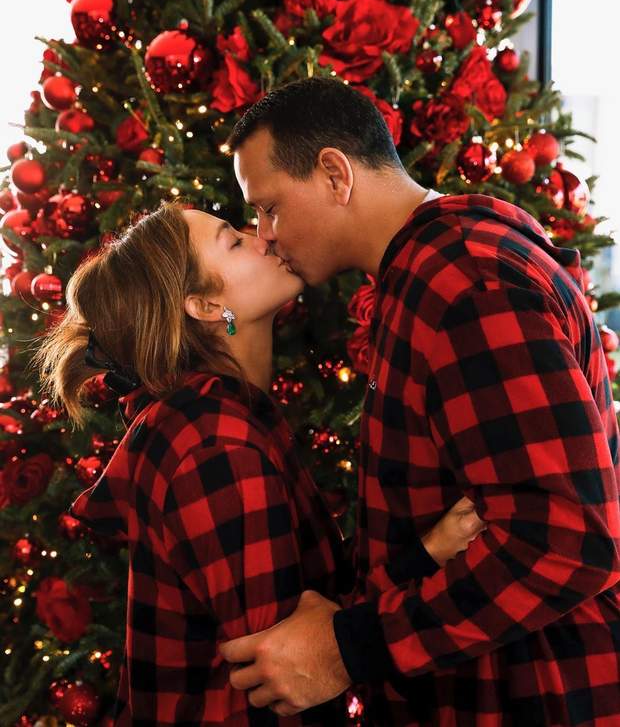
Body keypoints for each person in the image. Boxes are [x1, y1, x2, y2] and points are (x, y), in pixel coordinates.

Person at [219, 77, 620, 726]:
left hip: (533, 692)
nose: (263, 234)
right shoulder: (435, 263)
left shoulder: (465, 281)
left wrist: (350, 647)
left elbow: (566, 538)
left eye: (269, 207)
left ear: (334, 174)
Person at [33, 201, 485, 726]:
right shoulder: (213, 442)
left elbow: (309, 605)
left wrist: (425, 552)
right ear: (205, 305)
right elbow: (285, 663)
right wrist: (426, 557)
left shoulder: (223, 415)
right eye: (234, 240)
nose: (263, 237)